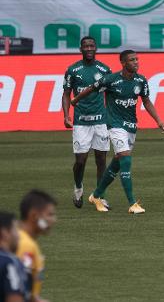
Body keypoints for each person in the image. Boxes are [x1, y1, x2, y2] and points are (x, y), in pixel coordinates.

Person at [71, 50, 164, 214]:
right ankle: (132, 203)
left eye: (137, 59)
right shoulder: (111, 79)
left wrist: (158, 120)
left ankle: (96, 195)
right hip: (114, 125)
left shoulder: (141, 81)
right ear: (123, 63)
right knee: (125, 159)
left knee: (117, 161)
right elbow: (91, 88)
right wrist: (75, 100)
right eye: (132, 60)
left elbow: (146, 101)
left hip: (131, 126)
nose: (136, 62)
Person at [62, 36, 112, 209]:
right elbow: (67, 93)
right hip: (81, 122)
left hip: (100, 121)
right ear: (80, 49)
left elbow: (111, 94)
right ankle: (78, 187)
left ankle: (100, 196)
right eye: (86, 46)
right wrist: (66, 115)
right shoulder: (73, 70)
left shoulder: (104, 69)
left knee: (101, 160)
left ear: (96, 48)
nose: (89, 48)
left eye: (92, 45)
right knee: (80, 161)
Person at [17, 190, 57, 302]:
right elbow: (15, 293)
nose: (54, 220)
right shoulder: (25, 245)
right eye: (50, 215)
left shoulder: (24, 240)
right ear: (34, 215)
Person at [0, 212, 27, 302]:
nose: (19, 235)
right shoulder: (9, 263)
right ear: (5, 233)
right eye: (15, 230)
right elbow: (14, 298)